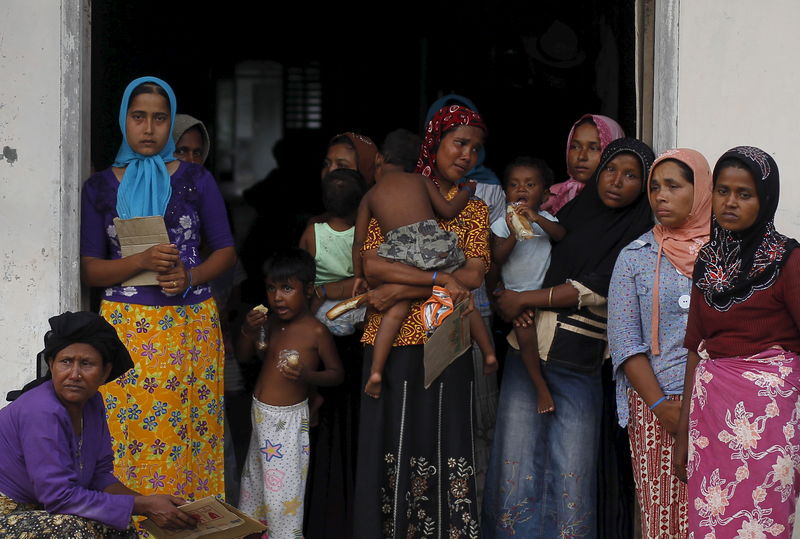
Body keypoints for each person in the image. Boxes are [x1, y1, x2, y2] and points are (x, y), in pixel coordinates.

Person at [483, 138, 655, 537]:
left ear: (644, 185)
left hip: (578, 358)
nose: (616, 182)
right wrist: (511, 299)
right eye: (610, 170)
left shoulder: (640, 233)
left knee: (570, 465)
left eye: (631, 176)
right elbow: (526, 265)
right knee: (516, 457)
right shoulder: (574, 215)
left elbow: (597, 287)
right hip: (525, 347)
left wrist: (523, 299)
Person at [80, 76, 236, 504]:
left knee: (189, 434)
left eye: (159, 118)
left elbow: (225, 251)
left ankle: (192, 527)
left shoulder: (195, 179)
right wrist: (140, 263)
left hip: (190, 326)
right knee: (126, 436)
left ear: (170, 124)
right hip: (128, 329)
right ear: (124, 121)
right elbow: (91, 269)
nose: (148, 128)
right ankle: (135, 527)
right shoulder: (99, 187)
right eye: (139, 117)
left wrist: (191, 276)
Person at [353, 104, 490, 537]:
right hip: (390, 345)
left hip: (445, 340)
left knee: (444, 442)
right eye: (459, 143)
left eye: (475, 148)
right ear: (435, 143)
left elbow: (472, 276)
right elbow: (372, 267)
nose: (467, 154)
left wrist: (402, 289)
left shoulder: (474, 210)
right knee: (391, 447)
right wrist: (434, 280)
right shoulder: (397, 191)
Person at [674, 146, 800, 537]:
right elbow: (697, 347)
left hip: (770, 418)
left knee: (762, 521)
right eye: (722, 191)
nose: (730, 203)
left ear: (765, 199)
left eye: (744, 194)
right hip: (713, 417)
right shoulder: (706, 261)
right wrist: (683, 435)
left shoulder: (789, 259)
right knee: (712, 518)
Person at [0, 311, 198, 537]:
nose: (74, 374)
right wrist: (145, 506)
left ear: (105, 372)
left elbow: (99, 476)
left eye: (86, 364)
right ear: (50, 364)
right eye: (66, 362)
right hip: (8, 512)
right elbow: (59, 498)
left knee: (117, 525)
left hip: (39, 511)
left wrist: (150, 503)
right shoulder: (40, 409)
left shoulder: (93, 403)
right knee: (71, 529)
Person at [608, 148, 712, 538]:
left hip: (719, 406)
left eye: (673, 186)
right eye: (654, 187)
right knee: (664, 520)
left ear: (700, 190)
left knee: (718, 516)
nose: (660, 196)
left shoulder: (725, 256)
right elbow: (625, 343)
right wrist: (661, 408)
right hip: (658, 408)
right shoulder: (635, 257)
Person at [352, 139, 490, 399]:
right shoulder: (421, 181)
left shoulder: (370, 195)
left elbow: (360, 243)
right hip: (433, 246)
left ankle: (376, 372)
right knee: (460, 296)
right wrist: (468, 191)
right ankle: (489, 352)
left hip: (401, 254)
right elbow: (448, 211)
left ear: (380, 160)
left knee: (396, 309)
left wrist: (358, 275)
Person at [237, 249, 344, 539]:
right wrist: (248, 329)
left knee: (282, 495)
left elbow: (337, 374)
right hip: (261, 417)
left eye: (287, 288)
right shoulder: (270, 324)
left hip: (286, 425)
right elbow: (244, 356)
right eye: (271, 288)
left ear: (308, 290)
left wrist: (308, 377)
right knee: (255, 486)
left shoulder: (316, 332)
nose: (277, 297)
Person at [491, 156, 565, 413]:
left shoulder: (545, 219)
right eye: (514, 184)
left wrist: (536, 219)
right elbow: (498, 258)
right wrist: (514, 232)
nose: (521, 189)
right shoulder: (501, 223)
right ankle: (539, 386)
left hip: (542, 293)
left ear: (544, 194)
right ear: (505, 192)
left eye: (530, 185)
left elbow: (561, 235)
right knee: (526, 334)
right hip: (516, 295)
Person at [299, 168, 367, 336]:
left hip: (322, 311)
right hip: (355, 307)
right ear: (361, 203)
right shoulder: (363, 234)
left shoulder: (311, 233)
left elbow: (299, 270)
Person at [541, 113, 625, 215]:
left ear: (613, 153)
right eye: (575, 147)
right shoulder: (549, 196)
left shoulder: (620, 200)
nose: (582, 156)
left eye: (594, 148)